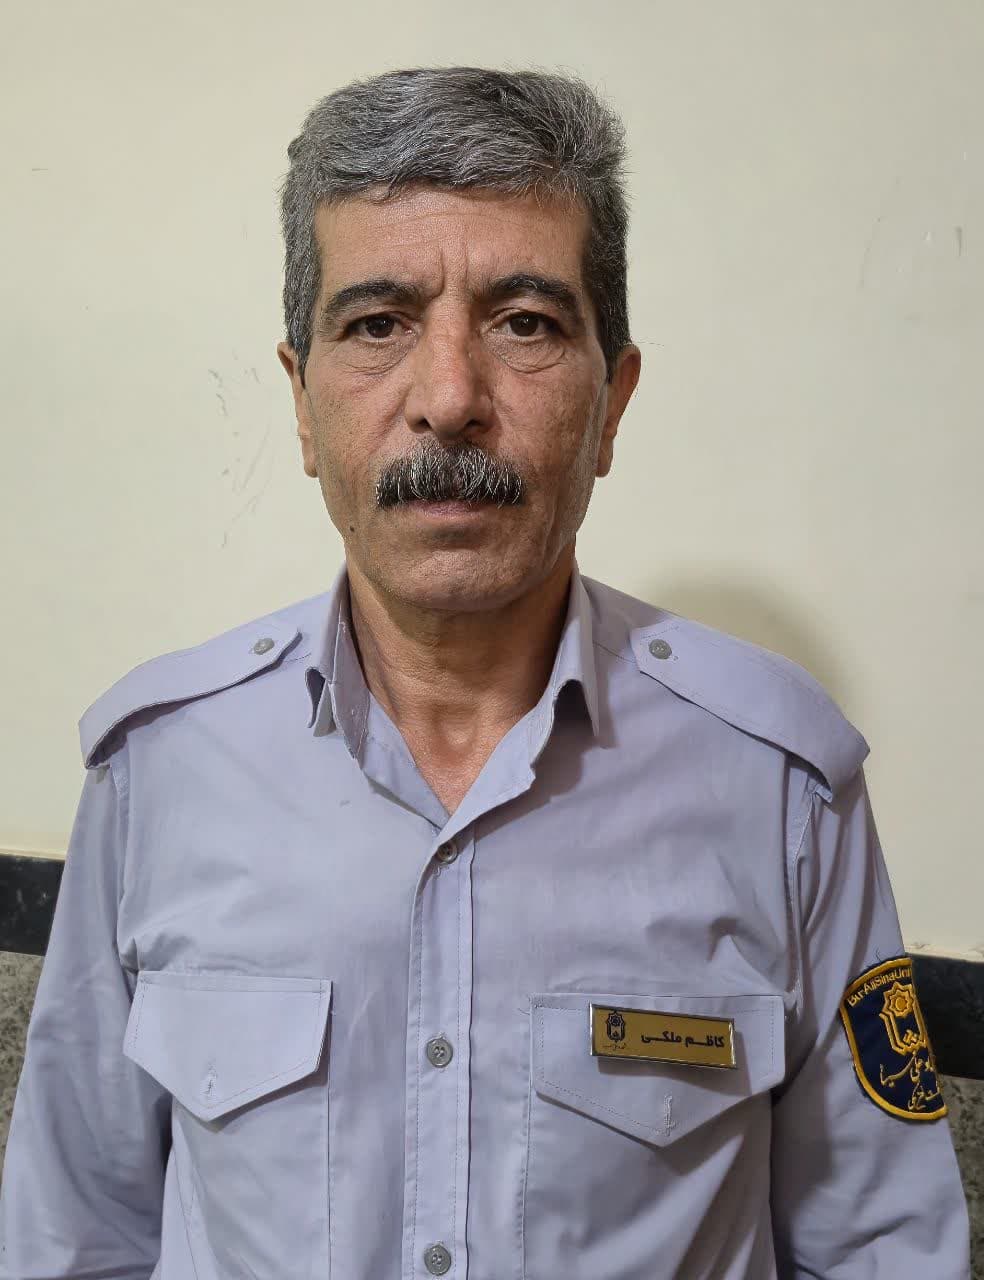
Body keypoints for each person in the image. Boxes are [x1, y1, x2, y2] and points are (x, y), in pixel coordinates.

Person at [0, 66, 970, 1280]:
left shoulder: (782, 783)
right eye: (378, 323)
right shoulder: (161, 769)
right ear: (300, 403)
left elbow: (884, 1247)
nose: (451, 398)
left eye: (524, 323)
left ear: (612, 404)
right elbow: (72, 1237)